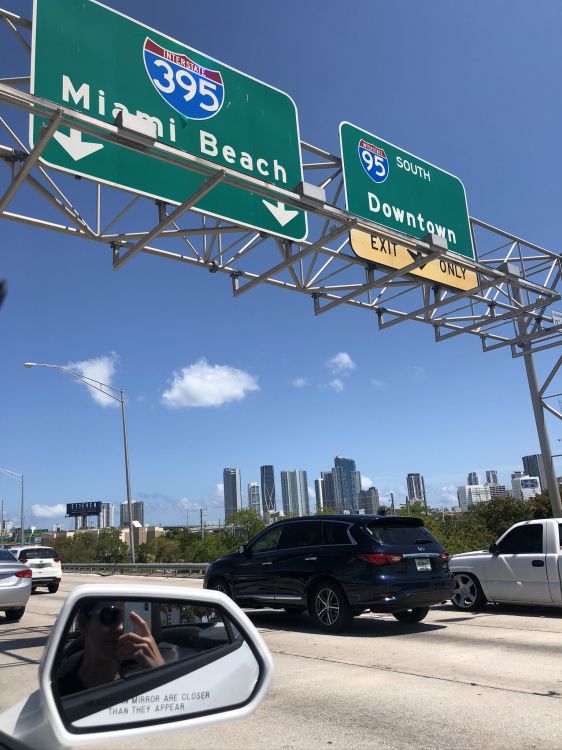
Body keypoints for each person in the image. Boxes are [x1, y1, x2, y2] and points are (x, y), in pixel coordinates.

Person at [56, 600, 165, 697]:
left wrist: (159, 671)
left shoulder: (143, 679)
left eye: (129, 619)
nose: (120, 628)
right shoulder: (59, 687)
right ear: (83, 624)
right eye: (110, 615)